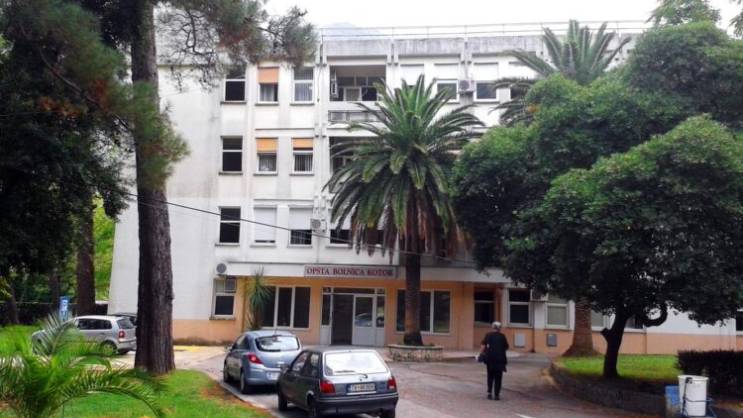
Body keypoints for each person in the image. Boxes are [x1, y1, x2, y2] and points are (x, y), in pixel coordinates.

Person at [480, 321, 509, 400]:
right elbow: (506, 347)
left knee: (490, 376)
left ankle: (489, 393)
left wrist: (481, 354)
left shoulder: (488, 335)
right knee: (498, 377)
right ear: (500, 328)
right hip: (500, 360)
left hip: (490, 359)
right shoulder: (502, 336)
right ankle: (496, 395)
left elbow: (483, 345)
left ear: (492, 327)